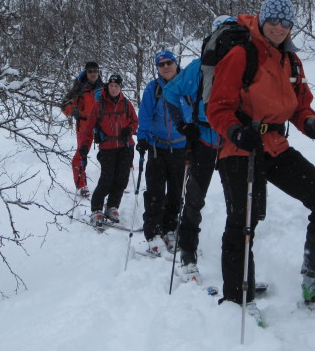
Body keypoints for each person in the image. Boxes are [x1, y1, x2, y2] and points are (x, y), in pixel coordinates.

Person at [206, 0, 315, 311]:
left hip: (275, 146)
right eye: (274, 20)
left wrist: (309, 122)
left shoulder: (291, 60)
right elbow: (217, 107)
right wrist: (236, 131)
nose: (280, 27)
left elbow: (299, 104)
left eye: (286, 22)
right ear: (263, 19)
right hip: (240, 147)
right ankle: (238, 302)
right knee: (243, 223)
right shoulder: (242, 54)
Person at [163, 16, 234, 281]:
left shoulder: (199, 67)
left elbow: (170, 93)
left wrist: (184, 124)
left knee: (198, 199)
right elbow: (171, 93)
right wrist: (184, 123)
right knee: (211, 200)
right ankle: (193, 252)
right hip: (221, 139)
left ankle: (193, 254)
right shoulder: (201, 68)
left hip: (214, 139)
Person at [136, 50, 187, 256]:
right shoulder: (153, 88)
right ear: (157, 68)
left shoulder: (187, 85)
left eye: (169, 62)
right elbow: (145, 115)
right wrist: (142, 138)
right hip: (157, 147)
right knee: (155, 192)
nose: (165, 66)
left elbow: (193, 114)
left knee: (176, 193)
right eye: (161, 64)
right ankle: (153, 231)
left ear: (176, 64)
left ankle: (169, 228)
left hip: (180, 147)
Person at [78, 74, 138, 227]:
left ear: (120, 87)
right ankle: (96, 209)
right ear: (107, 86)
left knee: (122, 180)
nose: (113, 88)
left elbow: (135, 121)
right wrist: (84, 146)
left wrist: (129, 129)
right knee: (107, 179)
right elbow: (89, 127)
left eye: (116, 86)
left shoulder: (126, 104)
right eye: (111, 86)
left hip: (125, 146)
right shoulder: (100, 105)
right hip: (107, 148)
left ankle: (112, 206)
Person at [61, 61, 103, 198]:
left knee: (114, 151)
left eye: (95, 71)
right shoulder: (79, 88)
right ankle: (81, 185)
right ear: (86, 72)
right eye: (90, 71)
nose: (93, 74)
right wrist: (72, 111)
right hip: (84, 125)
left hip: (101, 125)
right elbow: (64, 105)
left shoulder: (103, 88)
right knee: (80, 156)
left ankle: (119, 177)